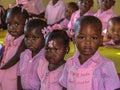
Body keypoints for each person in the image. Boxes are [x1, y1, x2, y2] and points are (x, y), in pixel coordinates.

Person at [59, 16, 120, 90]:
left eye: (93, 38)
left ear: (100, 40)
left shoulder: (106, 65)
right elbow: (65, 87)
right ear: (74, 39)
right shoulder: (70, 63)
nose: (87, 42)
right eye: (82, 37)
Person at [0, 6, 29, 90]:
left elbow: (16, 57)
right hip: (3, 69)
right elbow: (4, 52)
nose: (12, 27)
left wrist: (2, 67)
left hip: (13, 74)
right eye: (9, 24)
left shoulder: (25, 40)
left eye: (16, 24)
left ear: (26, 23)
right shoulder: (9, 36)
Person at [17, 19, 47, 90]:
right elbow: (19, 76)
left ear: (45, 38)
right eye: (27, 37)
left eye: (34, 38)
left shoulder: (46, 57)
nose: (29, 41)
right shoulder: (23, 55)